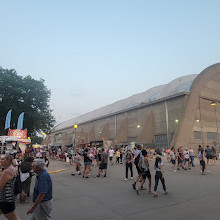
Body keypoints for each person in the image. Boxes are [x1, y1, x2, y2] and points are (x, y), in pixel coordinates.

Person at [0, 154, 21, 220]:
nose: (1, 161)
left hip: (5, 199)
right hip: (8, 198)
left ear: (8, 160)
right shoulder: (13, 169)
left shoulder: (7, 172)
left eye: (3, 159)